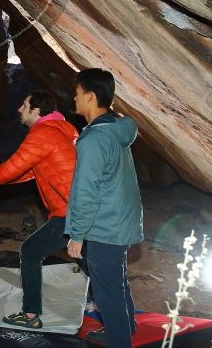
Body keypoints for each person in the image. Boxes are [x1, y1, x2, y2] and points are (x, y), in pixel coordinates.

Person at [0, 90, 78, 329]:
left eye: (24, 106)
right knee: (86, 258)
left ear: (36, 111)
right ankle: (112, 311)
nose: (19, 110)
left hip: (69, 211)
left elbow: (12, 169)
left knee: (31, 252)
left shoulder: (43, 134)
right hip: (78, 209)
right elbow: (26, 171)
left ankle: (31, 315)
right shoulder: (61, 130)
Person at [66, 68, 143, 348]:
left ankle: (119, 340)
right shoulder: (115, 129)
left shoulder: (94, 140)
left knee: (106, 289)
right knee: (116, 281)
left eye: (76, 94)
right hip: (119, 220)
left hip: (104, 224)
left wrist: (77, 234)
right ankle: (125, 327)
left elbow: (87, 192)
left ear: (89, 96)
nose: (73, 99)